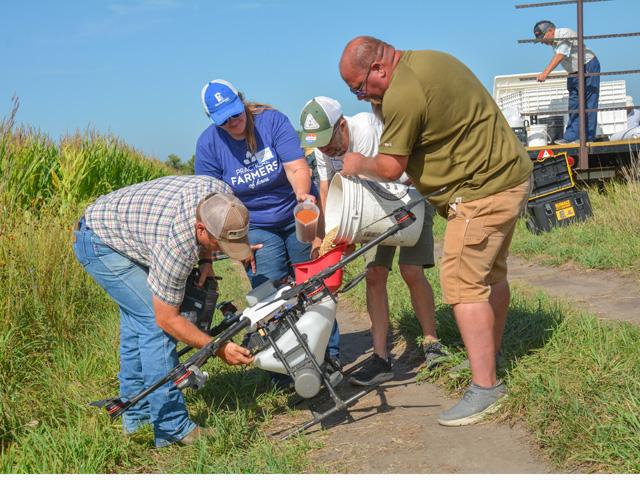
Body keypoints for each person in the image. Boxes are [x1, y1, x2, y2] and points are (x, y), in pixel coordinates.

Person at [338, 36, 533, 426]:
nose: (360, 97)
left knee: (460, 282)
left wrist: (358, 162)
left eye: (359, 87)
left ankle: (486, 388)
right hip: (508, 176)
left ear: (379, 68)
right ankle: (488, 359)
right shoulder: (428, 60)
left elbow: (391, 167)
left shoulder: (401, 92)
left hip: (483, 192)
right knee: (491, 275)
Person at [72, 175, 255, 447]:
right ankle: (172, 427)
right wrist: (218, 347)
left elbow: (211, 234)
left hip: (122, 230)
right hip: (101, 244)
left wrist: (207, 260)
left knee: (138, 324)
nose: (222, 251)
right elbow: (167, 319)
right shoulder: (177, 245)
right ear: (201, 229)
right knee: (153, 325)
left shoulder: (224, 199)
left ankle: (136, 418)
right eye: (219, 245)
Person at [194, 79, 340, 372]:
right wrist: (235, 247)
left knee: (313, 286)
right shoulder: (208, 144)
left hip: (295, 213)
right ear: (213, 121)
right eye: (224, 120)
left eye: (236, 113)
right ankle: (286, 367)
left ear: (242, 101)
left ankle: (328, 355)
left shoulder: (271, 122)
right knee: (270, 294)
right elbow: (213, 205)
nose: (234, 122)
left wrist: (302, 196)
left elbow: (297, 167)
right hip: (254, 224)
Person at [299, 96, 446, 386]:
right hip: (369, 209)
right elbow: (328, 189)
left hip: (407, 198)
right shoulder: (322, 149)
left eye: (330, 141)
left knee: (411, 271)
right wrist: (331, 233)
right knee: (374, 275)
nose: (327, 150)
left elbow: (377, 184)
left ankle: (432, 343)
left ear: (342, 124)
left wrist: (349, 231)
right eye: (321, 145)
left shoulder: (365, 129)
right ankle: (381, 358)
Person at [534, 20, 601, 143]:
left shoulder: (565, 34)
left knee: (589, 103)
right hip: (574, 72)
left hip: (588, 66)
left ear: (550, 30)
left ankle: (587, 138)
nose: (542, 42)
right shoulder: (554, 42)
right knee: (574, 104)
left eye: (543, 38)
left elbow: (561, 55)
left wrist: (545, 73)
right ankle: (571, 137)